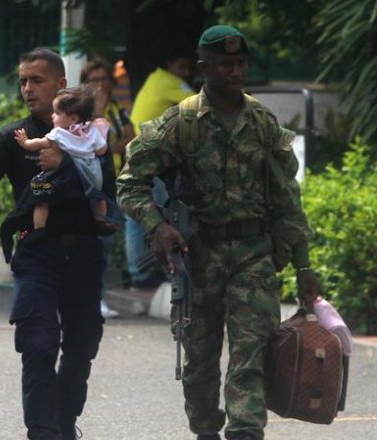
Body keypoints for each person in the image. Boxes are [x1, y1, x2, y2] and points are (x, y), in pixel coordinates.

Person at [116, 25, 322, 440]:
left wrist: (304, 267)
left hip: (253, 255)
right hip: (199, 257)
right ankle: (206, 430)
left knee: (252, 357)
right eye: (225, 64)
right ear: (204, 67)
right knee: (200, 365)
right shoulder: (181, 122)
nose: (235, 71)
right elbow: (130, 183)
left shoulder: (262, 122)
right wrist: (158, 227)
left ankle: (245, 431)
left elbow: (287, 199)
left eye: (240, 63)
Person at [0, 48, 112, 440]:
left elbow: (108, 187)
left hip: (83, 253)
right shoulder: (16, 138)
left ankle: (64, 421)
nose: (27, 88)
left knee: (81, 347)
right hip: (37, 254)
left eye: (36, 80)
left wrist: (66, 166)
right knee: (38, 343)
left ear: (61, 84)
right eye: (23, 81)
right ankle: (43, 432)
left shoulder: (92, 136)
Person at [123, 50, 196, 290]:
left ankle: (139, 271)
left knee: (140, 215)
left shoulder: (155, 79)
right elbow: (202, 104)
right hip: (151, 156)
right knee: (153, 214)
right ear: (170, 63)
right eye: (182, 66)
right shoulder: (169, 82)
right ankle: (143, 272)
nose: (186, 72)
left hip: (140, 152)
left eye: (189, 68)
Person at [80, 58, 136, 319]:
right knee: (91, 243)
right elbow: (88, 143)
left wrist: (111, 147)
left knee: (106, 243)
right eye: (95, 81)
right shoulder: (80, 111)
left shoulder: (117, 109)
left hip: (113, 182)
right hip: (90, 185)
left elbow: (131, 136)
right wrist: (98, 110)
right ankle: (88, 298)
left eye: (105, 80)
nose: (101, 85)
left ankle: (97, 297)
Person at [13, 85, 109, 231]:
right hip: (92, 175)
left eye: (57, 113)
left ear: (73, 118)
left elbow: (39, 143)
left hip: (64, 179)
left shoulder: (59, 134)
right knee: (99, 198)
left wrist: (25, 142)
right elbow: (102, 150)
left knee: (39, 192)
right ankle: (100, 220)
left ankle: (39, 227)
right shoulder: (92, 131)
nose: (53, 116)